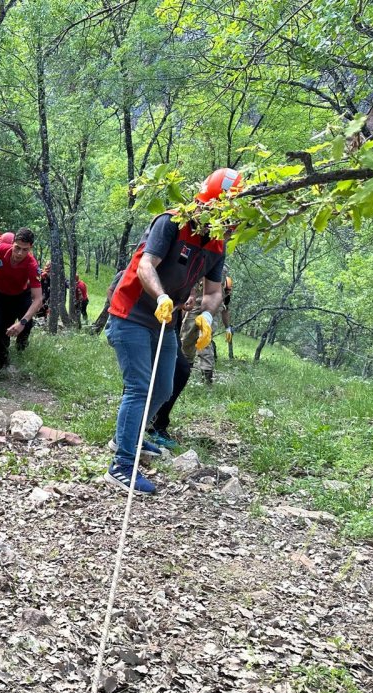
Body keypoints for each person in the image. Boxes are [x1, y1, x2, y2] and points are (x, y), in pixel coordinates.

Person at [103, 168, 242, 494]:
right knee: (139, 387)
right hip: (131, 314)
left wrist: (207, 317)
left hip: (165, 322)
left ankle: (127, 436)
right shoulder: (171, 223)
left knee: (163, 387)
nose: (228, 222)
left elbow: (213, 291)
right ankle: (122, 464)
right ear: (209, 204)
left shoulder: (217, 244)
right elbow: (145, 265)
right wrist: (162, 296)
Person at [149, 276, 234, 448]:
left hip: (183, 320)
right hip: (149, 319)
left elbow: (224, 306)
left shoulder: (223, 282)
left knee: (182, 369)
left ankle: (156, 423)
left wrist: (227, 326)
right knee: (144, 375)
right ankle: (135, 428)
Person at [0, 227, 44, 372]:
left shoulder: (32, 265)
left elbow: (38, 299)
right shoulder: (0, 248)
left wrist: (22, 323)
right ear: (12, 243)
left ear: (30, 248)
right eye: (17, 248)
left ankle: (21, 348)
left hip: (20, 294)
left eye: (24, 250)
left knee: (27, 324)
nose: (19, 253)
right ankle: (2, 355)